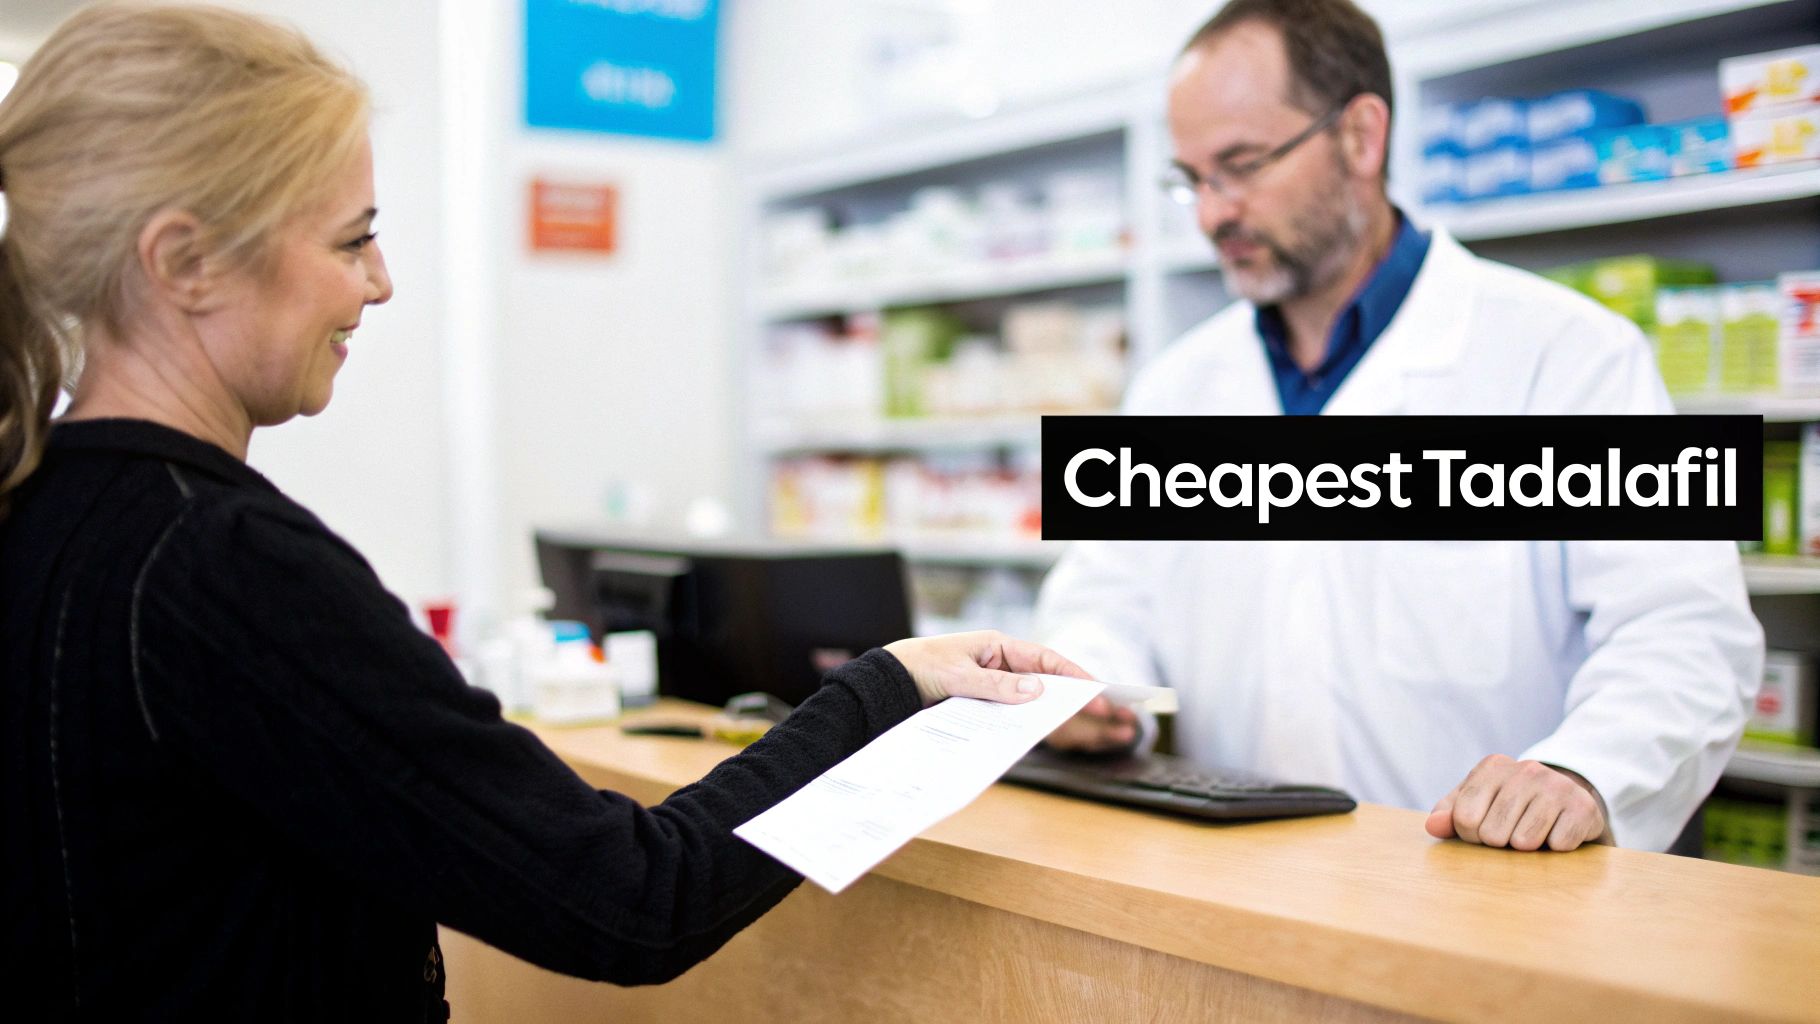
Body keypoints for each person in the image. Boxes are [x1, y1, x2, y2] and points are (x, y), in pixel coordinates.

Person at [0, 5, 1088, 1019]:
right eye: (350, 239)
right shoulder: (220, 563)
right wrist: (883, 685)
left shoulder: (41, 511)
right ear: (184, 261)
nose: (376, 284)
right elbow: (634, 896)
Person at [1037, 0, 1762, 854]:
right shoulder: (1178, 387)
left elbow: (1684, 633)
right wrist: (1091, 687)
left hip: (1486, 904)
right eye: (1192, 179)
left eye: (1241, 165)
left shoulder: (1569, 355)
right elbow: (1104, 598)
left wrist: (1583, 772)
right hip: (1225, 885)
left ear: (1361, 136)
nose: (1210, 214)